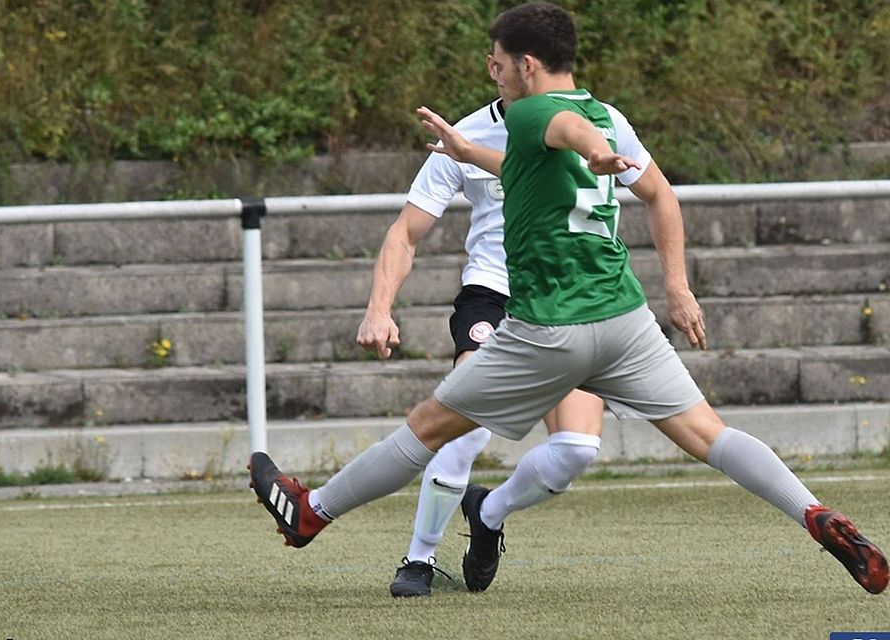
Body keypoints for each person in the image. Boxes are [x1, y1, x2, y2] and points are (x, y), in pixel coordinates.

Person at [249, 2, 888, 597]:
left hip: (549, 329)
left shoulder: (536, 112)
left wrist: (594, 150)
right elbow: (541, 160)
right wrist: (474, 151)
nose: (491, 72)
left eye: (497, 61)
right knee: (707, 433)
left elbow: (562, 128)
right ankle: (811, 511)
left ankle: (310, 514)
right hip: (625, 320)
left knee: (430, 428)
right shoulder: (599, 112)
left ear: (527, 65)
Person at [356, 52, 622, 597]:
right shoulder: (465, 136)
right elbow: (406, 231)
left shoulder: (599, 122)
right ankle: (419, 559)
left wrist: (678, 287)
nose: (515, 74)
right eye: (502, 63)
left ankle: (488, 512)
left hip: (567, 297)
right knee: (467, 422)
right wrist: (379, 308)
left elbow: (658, 192)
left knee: (575, 449)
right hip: (493, 294)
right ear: (495, 67)